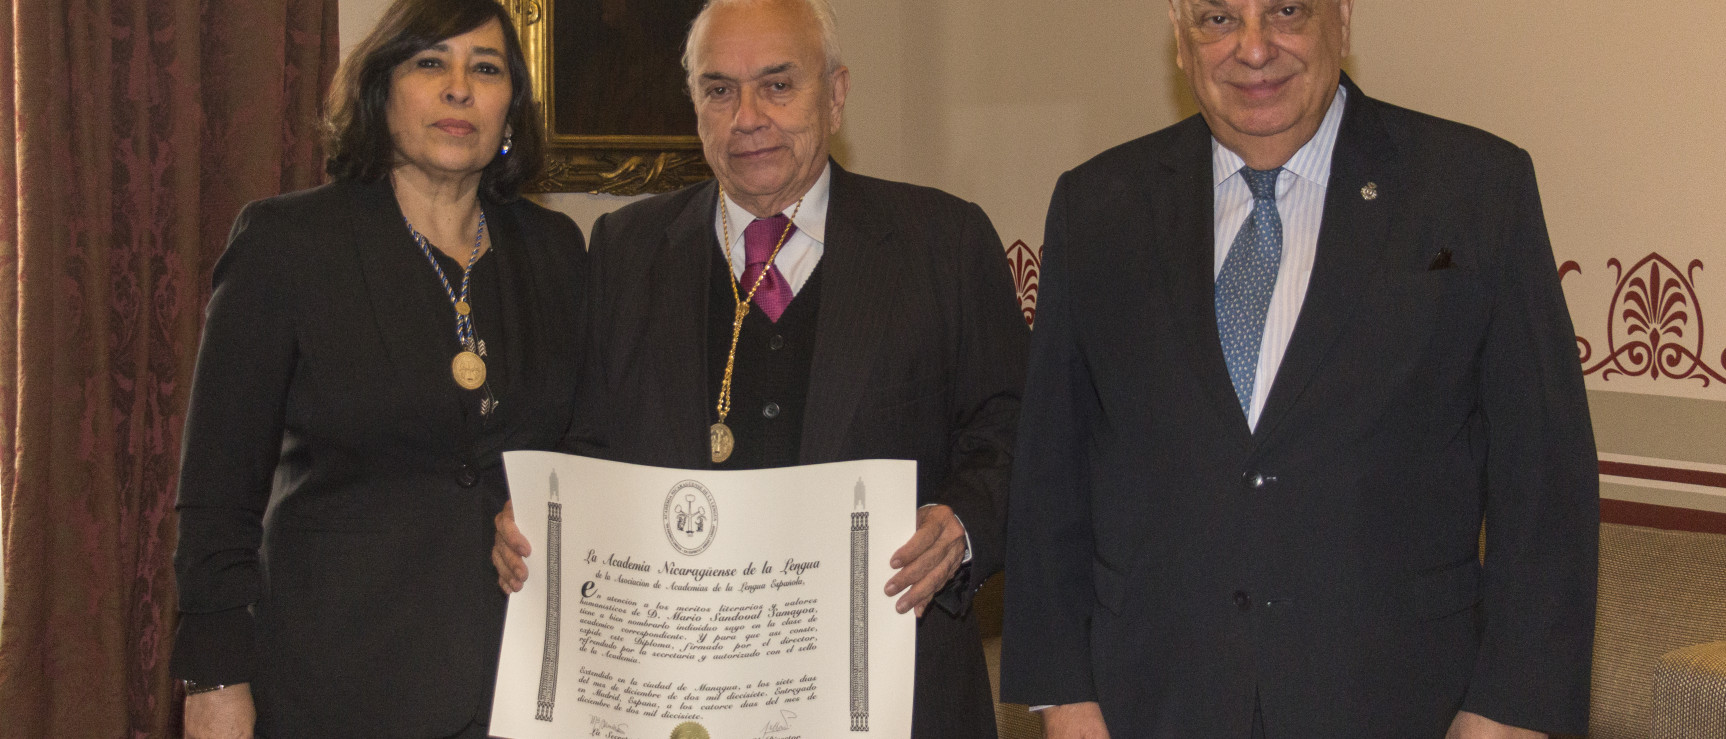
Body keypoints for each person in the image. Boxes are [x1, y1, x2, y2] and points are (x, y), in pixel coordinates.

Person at [1001, 1, 1598, 738]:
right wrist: (1064, 698)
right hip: (1149, 704)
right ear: (1179, 38)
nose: (1253, 49)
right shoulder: (1097, 207)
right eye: (1218, 18)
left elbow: (1545, 483)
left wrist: (1511, 708)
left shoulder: (1476, 191)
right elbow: (1049, 477)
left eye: (1286, 10)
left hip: (1401, 702)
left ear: (1342, 20)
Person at [491, 1, 1027, 736]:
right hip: (680, 699)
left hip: (897, 693)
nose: (747, 116)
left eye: (778, 85)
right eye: (719, 89)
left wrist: (963, 521)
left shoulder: (944, 242)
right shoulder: (625, 249)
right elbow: (592, 443)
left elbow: (1014, 427)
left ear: (835, 94)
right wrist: (545, 521)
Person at [170, 0, 585, 736]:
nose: (460, 88)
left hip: (517, 682)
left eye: (485, 69)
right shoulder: (286, 246)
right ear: (380, 89)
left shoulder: (554, 251)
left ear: (510, 108)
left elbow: (587, 435)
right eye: (431, 63)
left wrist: (561, 500)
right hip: (332, 681)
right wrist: (214, 677)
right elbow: (216, 494)